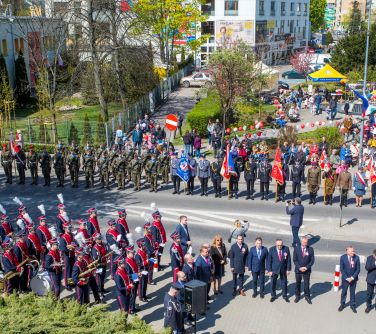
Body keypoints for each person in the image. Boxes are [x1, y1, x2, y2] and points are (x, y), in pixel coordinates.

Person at [267, 239, 291, 303]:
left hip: (283, 269)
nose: (280, 247)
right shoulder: (271, 249)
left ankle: (285, 295)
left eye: (281, 245)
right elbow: (269, 260)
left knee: (284, 283)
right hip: (274, 269)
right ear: (276, 244)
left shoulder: (286, 249)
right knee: (273, 283)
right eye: (278, 245)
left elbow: (288, 260)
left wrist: (288, 269)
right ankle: (273, 295)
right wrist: (269, 270)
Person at [293, 236, 315, 304]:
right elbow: (295, 260)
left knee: (306, 284)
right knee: (298, 283)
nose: (305, 243)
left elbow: (312, 260)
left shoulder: (310, 249)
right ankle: (297, 296)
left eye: (306, 242)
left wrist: (306, 267)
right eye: (303, 242)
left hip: (307, 270)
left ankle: (307, 296)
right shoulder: (296, 249)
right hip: (298, 270)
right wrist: (299, 267)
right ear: (301, 242)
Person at [339, 246, 360, 313]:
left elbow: (358, 269)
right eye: (352, 251)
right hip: (345, 279)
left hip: (353, 279)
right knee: (344, 292)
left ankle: (352, 305)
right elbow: (342, 269)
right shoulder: (342, 257)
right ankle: (342, 304)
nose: (353, 252)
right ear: (347, 251)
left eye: (353, 251)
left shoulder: (356, 258)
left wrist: (352, 277)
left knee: (352, 292)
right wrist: (346, 278)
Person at [59, 223, 77, 289]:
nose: (69, 229)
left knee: (72, 270)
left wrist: (74, 245)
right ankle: (67, 284)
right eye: (68, 228)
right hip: (67, 256)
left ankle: (71, 283)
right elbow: (62, 248)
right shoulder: (63, 238)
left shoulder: (71, 235)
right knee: (67, 271)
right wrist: (69, 248)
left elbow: (74, 242)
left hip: (72, 255)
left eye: (70, 228)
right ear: (64, 229)